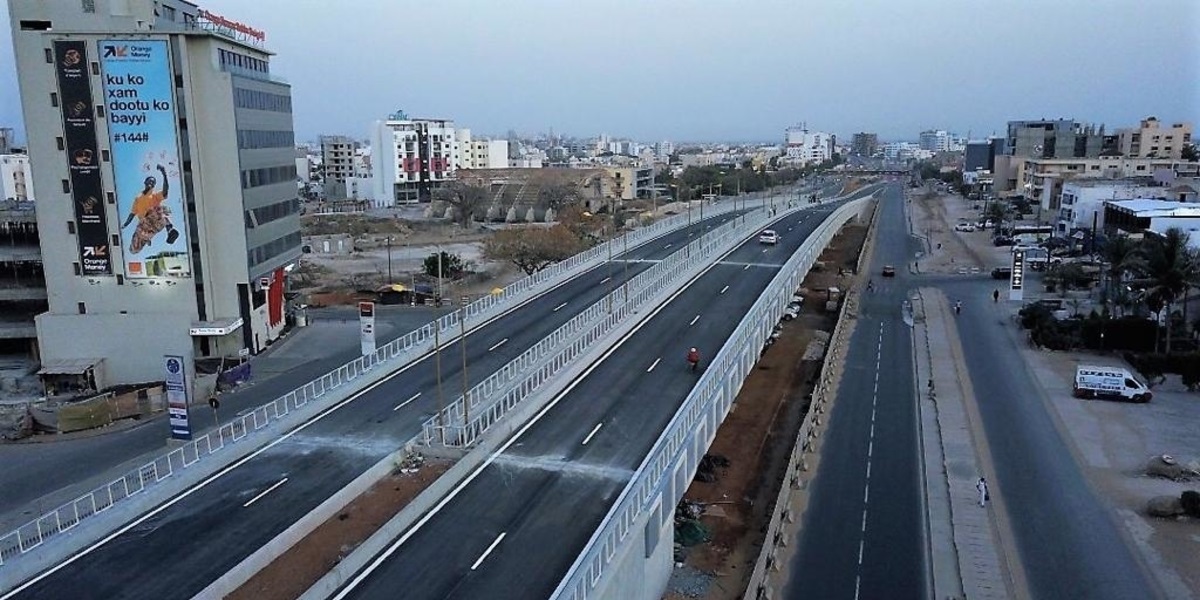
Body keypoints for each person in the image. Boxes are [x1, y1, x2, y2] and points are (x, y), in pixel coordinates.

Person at [122, 164, 179, 253]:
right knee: (133, 250)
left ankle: (170, 230)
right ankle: (147, 237)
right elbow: (132, 214)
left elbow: (165, 191)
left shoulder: (155, 196)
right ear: (145, 182)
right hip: (145, 225)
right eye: (150, 181)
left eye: (153, 183)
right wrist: (125, 225)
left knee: (163, 209)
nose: (151, 183)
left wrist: (164, 174)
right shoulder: (138, 198)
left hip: (155, 220)